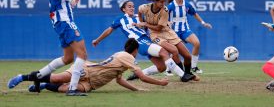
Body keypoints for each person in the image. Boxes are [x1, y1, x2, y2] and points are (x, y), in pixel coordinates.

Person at [7, 0, 89, 96]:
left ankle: (27, 77)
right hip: (65, 22)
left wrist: (71, 2)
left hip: (60, 22)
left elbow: (59, 0)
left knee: (68, 58)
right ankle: (72, 89)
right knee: (82, 54)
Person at [8, 38, 169, 94]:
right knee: (59, 78)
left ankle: (43, 85)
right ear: (135, 50)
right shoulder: (127, 56)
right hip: (87, 70)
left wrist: (136, 89)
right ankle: (22, 77)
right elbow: (141, 76)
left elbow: (119, 80)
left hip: (91, 83)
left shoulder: (122, 58)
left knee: (66, 89)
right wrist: (160, 83)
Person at [92, 0, 196, 82]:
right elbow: (109, 30)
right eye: (129, 6)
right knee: (164, 52)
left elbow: (153, 24)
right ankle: (183, 75)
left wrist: (167, 22)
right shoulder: (120, 19)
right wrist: (98, 40)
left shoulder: (139, 17)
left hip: (149, 41)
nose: (132, 8)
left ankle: (139, 74)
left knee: (161, 67)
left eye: (133, 6)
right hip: (140, 42)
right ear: (123, 9)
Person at [135, 0, 195, 76]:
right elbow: (139, 11)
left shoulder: (165, 10)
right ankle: (183, 75)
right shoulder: (145, 7)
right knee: (174, 50)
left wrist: (145, 24)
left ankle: (188, 73)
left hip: (167, 31)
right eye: (161, 2)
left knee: (187, 56)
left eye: (164, 2)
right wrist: (141, 22)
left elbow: (159, 28)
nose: (163, 4)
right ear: (155, 1)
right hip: (155, 35)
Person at [167, 0, 212, 74]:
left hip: (185, 30)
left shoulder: (187, 5)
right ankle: (169, 69)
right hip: (173, 32)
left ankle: (194, 66)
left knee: (197, 43)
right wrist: (168, 22)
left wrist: (203, 23)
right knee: (174, 51)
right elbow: (163, 17)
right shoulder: (170, 6)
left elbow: (195, 14)